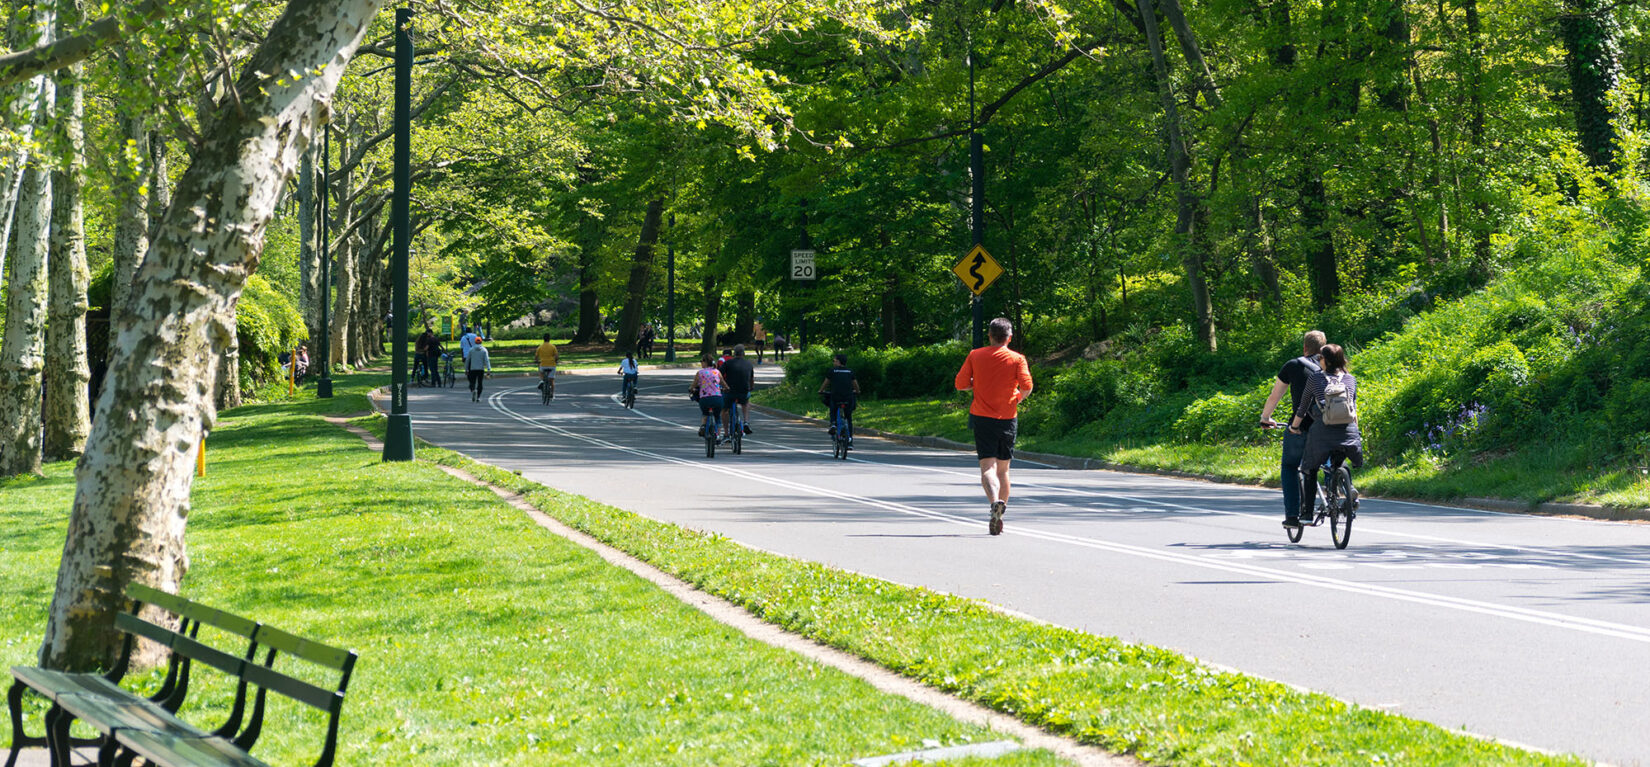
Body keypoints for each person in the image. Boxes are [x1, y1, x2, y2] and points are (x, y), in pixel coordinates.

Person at [954, 317, 1034, 535]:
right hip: (1008, 418)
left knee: (987, 467)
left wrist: (976, 384)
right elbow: (1027, 387)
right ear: (1009, 337)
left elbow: (960, 384)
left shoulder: (975, 355)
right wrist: (1016, 399)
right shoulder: (1018, 359)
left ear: (989, 335)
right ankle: (1000, 511)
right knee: (1004, 469)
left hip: (982, 418)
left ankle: (994, 502)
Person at [1288, 343, 1363, 526]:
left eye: (1320, 358)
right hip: (1348, 431)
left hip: (1322, 432)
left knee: (1310, 469)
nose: (1318, 360)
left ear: (1326, 360)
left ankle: (1306, 514)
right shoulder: (1350, 379)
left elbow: (1303, 407)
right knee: (1340, 460)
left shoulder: (1315, 379)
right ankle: (1348, 486)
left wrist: (1294, 427)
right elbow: (1352, 410)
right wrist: (1356, 433)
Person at [1260, 330, 1326, 527]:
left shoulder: (1294, 365)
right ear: (1324, 347)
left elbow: (1275, 396)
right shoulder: (1332, 364)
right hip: (1330, 425)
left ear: (1304, 348)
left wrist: (1266, 418)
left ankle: (1291, 516)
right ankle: (1340, 489)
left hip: (1301, 425)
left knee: (1289, 466)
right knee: (1331, 460)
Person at [817, 353, 859, 447]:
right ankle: (850, 441)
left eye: (834, 360)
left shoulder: (833, 371)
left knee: (833, 408)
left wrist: (821, 390)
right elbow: (855, 384)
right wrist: (857, 391)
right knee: (849, 418)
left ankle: (833, 424)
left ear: (839, 362)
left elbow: (826, 383)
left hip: (836, 397)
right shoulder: (850, 371)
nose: (833, 362)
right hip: (848, 397)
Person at [690, 354, 728, 439]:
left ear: (705, 362)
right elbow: (722, 382)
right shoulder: (717, 372)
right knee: (717, 416)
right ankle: (717, 435)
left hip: (705, 399)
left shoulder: (700, 373)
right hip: (717, 398)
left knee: (705, 413)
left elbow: (694, 384)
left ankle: (703, 425)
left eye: (702, 361)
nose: (701, 363)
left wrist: (691, 389)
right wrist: (727, 388)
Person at [721, 345, 756, 437]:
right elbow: (751, 379)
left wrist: (722, 386)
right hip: (743, 392)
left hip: (729, 392)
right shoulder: (749, 364)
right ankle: (746, 422)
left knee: (724, 410)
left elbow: (719, 375)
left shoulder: (728, 363)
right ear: (743, 353)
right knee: (746, 403)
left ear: (734, 353)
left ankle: (726, 433)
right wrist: (751, 387)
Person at [465, 336, 492, 402]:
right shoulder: (484, 350)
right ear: (481, 341)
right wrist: (488, 369)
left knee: (472, 382)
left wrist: (466, 369)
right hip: (480, 369)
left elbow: (468, 360)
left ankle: (473, 390)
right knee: (480, 383)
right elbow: (487, 360)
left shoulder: (471, 350)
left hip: (473, 368)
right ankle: (478, 397)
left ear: (475, 342)